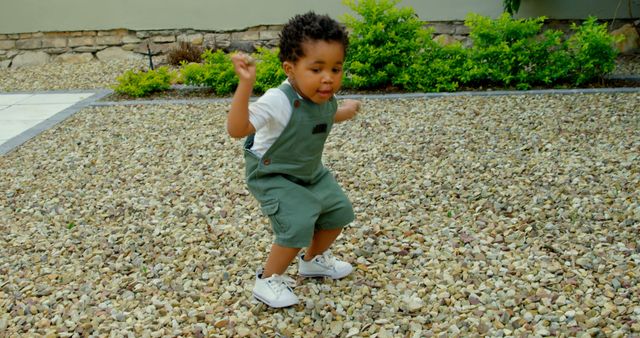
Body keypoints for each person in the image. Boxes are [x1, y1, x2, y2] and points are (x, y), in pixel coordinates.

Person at [227, 11, 361, 308]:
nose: (328, 78)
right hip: (273, 175)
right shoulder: (278, 99)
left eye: (336, 69)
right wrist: (245, 86)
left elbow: (323, 117)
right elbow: (237, 130)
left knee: (339, 212)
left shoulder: (325, 98)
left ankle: (312, 261)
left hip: (311, 172)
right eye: (317, 69)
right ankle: (267, 279)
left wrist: (345, 112)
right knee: (298, 221)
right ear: (290, 69)